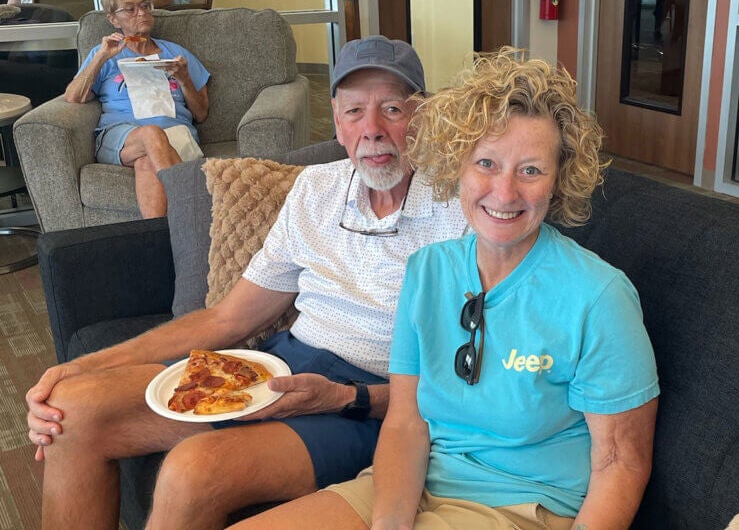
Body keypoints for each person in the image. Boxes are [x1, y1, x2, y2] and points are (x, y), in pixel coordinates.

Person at [25, 34, 468, 530]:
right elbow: (230, 317)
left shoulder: (462, 208)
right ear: (337, 121)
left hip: (374, 402)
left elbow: (472, 375)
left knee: (194, 471)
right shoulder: (315, 188)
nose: (372, 130)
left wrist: (348, 398)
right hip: (284, 368)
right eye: (354, 112)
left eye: (393, 109)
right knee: (70, 410)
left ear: (425, 116)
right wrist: (82, 368)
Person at [229, 48, 661, 530]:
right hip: (408, 484)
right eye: (486, 163)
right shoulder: (428, 271)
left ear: (559, 181)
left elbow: (620, 464)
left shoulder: (599, 297)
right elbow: (406, 422)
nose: (504, 192)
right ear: (457, 165)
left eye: (531, 170)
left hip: (519, 504)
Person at [63, 0, 209, 218]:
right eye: (130, 9)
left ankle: (157, 240)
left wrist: (184, 79)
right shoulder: (105, 55)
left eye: (144, 5)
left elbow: (202, 113)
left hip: (177, 135)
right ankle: (191, 217)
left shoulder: (177, 53)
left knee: (146, 162)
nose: (141, 13)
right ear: (113, 19)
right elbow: (74, 97)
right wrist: (101, 57)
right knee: (151, 133)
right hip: (121, 135)